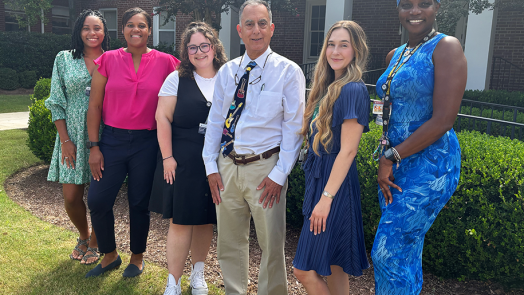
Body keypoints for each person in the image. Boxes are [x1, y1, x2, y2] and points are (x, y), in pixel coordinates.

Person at [202, 0, 306, 293]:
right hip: (227, 167)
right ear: (239, 30)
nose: (256, 30)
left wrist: (279, 174)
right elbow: (215, 122)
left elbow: (294, 129)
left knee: (271, 246)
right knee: (229, 243)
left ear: (271, 29)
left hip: (266, 170)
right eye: (249, 24)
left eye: (262, 23)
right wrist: (211, 166)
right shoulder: (227, 72)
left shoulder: (288, 71)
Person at [371, 0, 467, 293]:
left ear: (437, 7)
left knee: (387, 253)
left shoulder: (446, 47)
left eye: (423, 4)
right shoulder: (396, 54)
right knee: (406, 254)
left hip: (431, 164)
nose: (414, 11)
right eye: (406, 5)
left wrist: (391, 156)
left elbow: (444, 120)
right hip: (395, 165)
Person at [85, 7, 180, 278]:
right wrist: (94, 146)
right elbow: (94, 106)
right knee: (98, 200)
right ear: (122, 29)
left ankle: (137, 257)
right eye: (129, 25)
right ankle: (110, 255)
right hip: (112, 141)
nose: (135, 30)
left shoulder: (166, 62)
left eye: (141, 25)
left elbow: (185, 93)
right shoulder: (108, 60)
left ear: (149, 30)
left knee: (139, 202)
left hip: (148, 143)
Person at [292, 20, 371, 295]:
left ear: (356, 50)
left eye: (344, 45)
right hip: (325, 181)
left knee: (302, 269)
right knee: (335, 265)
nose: (335, 51)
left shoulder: (352, 89)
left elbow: (348, 150)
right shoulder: (330, 86)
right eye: (331, 44)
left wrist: (326, 199)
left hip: (333, 187)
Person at [148, 22, 227, 295]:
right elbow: (162, 118)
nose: (199, 51)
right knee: (180, 220)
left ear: (214, 48)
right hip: (182, 158)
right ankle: (173, 281)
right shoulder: (176, 79)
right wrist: (167, 157)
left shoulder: (227, 77)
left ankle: (198, 274)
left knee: (206, 218)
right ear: (186, 51)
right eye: (192, 47)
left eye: (204, 45)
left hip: (218, 161)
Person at [45, 9, 110, 266]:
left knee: (99, 196)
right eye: (86, 28)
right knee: (71, 197)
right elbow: (56, 100)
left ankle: (96, 241)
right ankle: (83, 236)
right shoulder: (64, 59)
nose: (92, 33)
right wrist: (65, 140)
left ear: (105, 32)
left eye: (97, 28)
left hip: (103, 135)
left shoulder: (112, 59)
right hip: (70, 135)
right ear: (78, 31)